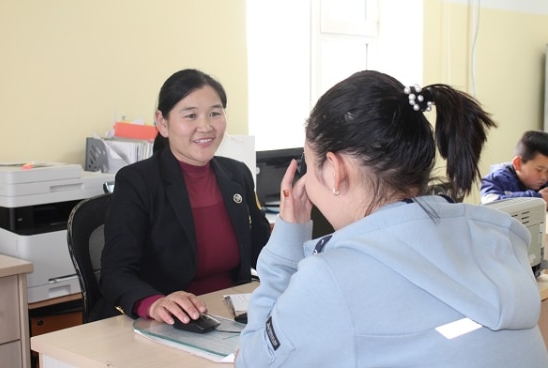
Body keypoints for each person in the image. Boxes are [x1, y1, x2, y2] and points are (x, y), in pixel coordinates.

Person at [235, 70, 548, 367]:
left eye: (308, 163)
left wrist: (287, 243)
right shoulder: (498, 239)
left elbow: (254, 361)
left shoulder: (332, 280)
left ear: (334, 169)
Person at [94, 69, 271, 326]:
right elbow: (115, 273)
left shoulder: (237, 174)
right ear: (163, 123)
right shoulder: (136, 182)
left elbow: (262, 251)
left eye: (215, 113)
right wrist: (154, 303)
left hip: (230, 316)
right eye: (191, 115)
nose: (206, 126)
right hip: (165, 322)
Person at [480, 130, 548, 207]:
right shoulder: (495, 180)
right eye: (539, 170)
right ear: (518, 163)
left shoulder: (544, 184)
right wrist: (536, 198)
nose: (544, 177)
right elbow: (490, 203)